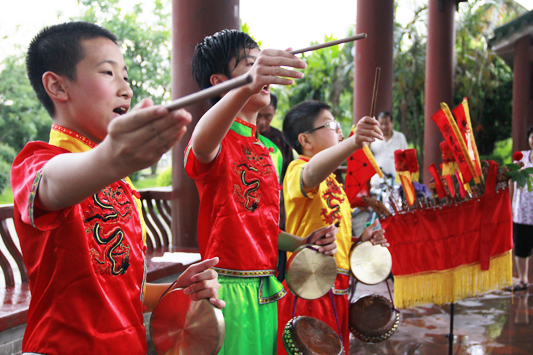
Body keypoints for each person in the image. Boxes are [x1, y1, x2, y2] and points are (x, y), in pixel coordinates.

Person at [11, 22, 224, 355]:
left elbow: (126, 290)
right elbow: (53, 183)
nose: (126, 89)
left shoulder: (120, 183)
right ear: (57, 86)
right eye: (108, 73)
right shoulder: (36, 163)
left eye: (125, 76)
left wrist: (174, 290)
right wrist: (112, 157)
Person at [187, 30, 338, 355]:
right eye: (249, 66)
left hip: (268, 286)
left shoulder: (271, 149)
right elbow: (201, 140)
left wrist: (302, 243)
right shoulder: (214, 141)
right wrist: (247, 86)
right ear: (219, 81)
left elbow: (264, 228)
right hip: (225, 289)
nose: (262, 74)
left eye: (261, 65)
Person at [277, 100, 389, 354]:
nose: (340, 131)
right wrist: (352, 143)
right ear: (305, 141)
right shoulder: (298, 170)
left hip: (338, 288)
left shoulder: (334, 183)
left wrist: (360, 241)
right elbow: (311, 173)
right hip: (309, 286)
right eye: (331, 125)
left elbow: (337, 241)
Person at [507, 125, 533, 292]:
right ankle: (523, 280)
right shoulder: (521, 158)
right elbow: (511, 181)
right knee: (521, 246)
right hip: (522, 211)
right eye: (532, 136)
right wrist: (508, 203)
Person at [257, 93, 294, 182]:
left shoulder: (281, 139)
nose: (262, 122)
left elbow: (289, 174)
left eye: (268, 116)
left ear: (274, 112)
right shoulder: (243, 136)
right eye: (258, 115)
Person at [369, 111, 408, 190]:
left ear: (392, 123)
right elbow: (367, 158)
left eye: (386, 123)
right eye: (381, 123)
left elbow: (406, 158)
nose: (384, 127)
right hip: (377, 181)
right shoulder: (372, 138)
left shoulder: (400, 137)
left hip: (397, 182)